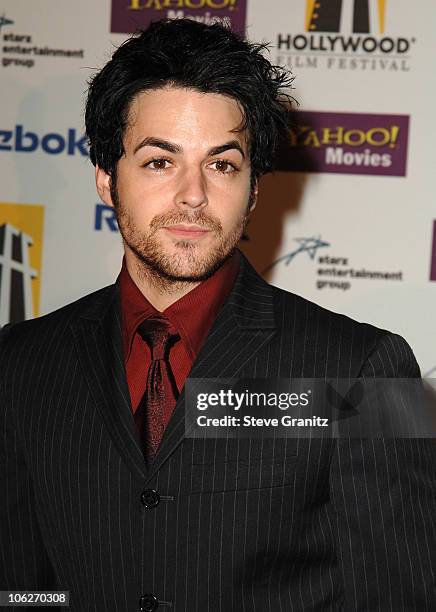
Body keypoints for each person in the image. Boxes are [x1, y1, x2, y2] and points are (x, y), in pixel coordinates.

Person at [0, 18, 435, 612]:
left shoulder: (368, 367)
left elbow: (401, 597)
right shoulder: (19, 363)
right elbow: (23, 590)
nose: (194, 195)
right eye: (159, 161)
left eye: (223, 164)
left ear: (253, 190)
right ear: (107, 178)